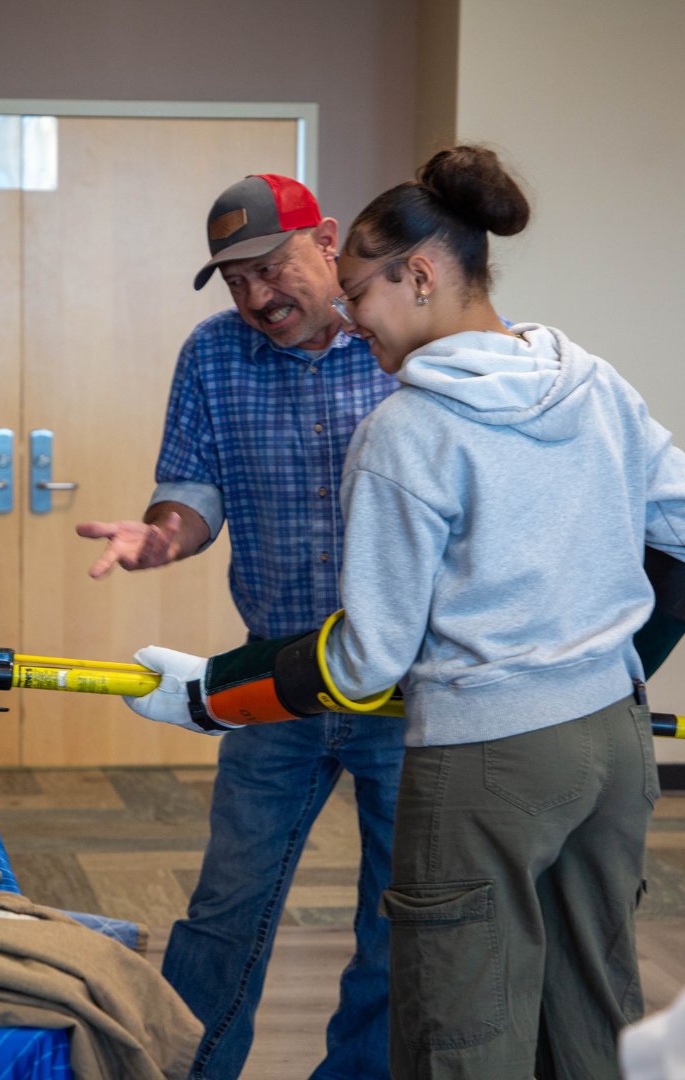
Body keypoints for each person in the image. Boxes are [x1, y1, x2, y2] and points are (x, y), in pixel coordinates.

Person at [124, 145, 685, 1079]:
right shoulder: (588, 379)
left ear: (412, 272)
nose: (349, 316)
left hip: (463, 735)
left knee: (455, 1015)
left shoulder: (407, 426)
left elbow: (368, 660)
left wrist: (206, 693)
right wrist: (627, 658)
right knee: (585, 998)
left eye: (353, 291)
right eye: (236, 280)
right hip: (607, 739)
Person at [76, 174, 404, 1079]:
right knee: (226, 907)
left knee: (393, 919)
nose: (258, 297)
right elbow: (192, 489)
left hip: (409, 687)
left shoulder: (403, 344)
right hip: (276, 679)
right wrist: (162, 535)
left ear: (327, 240)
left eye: (271, 267)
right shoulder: (214, 354)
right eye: (234, 281)